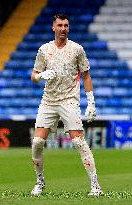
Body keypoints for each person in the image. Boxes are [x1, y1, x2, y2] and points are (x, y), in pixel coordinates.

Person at [30, 13, 103, 197]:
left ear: (68, 28)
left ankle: (95, 186)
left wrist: (91, 102)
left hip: (69, 100)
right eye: (60, 25)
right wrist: (40, 76)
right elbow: (34, 75)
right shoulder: (44, 50)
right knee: (37, 142)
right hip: (48, 100)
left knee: (79, 141)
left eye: (66, 25)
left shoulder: (77, 49)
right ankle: (40, 182)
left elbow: (86, 75)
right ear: (53, 27)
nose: (63, 28)